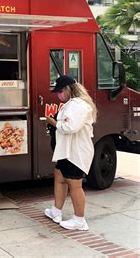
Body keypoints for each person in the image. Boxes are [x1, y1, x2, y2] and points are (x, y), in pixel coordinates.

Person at [43, 75, 97, 231]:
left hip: (76, 152)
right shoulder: (71, 104)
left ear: (67, 90)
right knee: (59, 176)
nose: (58, 95)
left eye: (60, 91)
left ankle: (80, 220)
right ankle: (56, 211)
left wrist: (54, 122)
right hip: (66, 151)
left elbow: (70, 127)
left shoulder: (79, 105)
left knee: (75, 185)